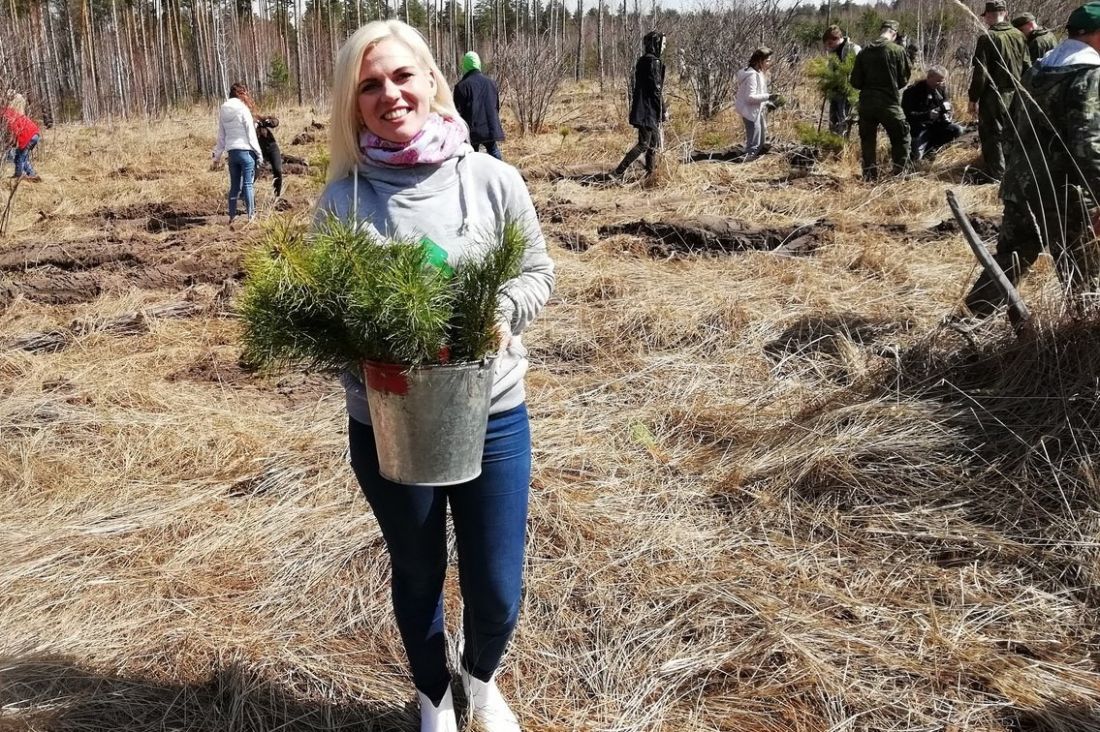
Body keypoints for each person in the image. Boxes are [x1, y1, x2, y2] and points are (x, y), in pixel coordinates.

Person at [314, 20, 555, 732]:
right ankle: (434, 697)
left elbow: (537, 269)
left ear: (430, 82)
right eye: (368, 85)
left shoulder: (490, 179)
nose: (389, 94)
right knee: (418, 572)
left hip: (494, 415)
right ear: (352, 104)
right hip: (389, 425)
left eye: (400, 76)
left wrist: (504, 312)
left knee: (497, 586)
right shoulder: (342, 203)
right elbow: (320, 322)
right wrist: (357, 349)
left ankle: (480, 679)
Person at [963, 2, 1100, 317]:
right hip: (1067, 195)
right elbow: (1088, 145)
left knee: (1010, 258)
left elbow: (1009, 131)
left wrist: (1018, 172)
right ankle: (1082, 341)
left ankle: (971, 322)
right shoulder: (1089, 74)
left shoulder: (1037, 69)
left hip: (1021, 185)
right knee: (1083, 271)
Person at [968, 0, 1029, 181]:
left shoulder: (987, 38)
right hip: (1017, 94)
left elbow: (981, 73)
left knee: (992, 135)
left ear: (988, 15)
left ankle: (997, 177)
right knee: (1013, 134)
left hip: (995, 95)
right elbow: (1028, 65)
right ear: (1006, 13)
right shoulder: (1019, 35)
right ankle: (1013, 172)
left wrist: (973, 98)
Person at [850, 20, 912, 180]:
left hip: (866, 104)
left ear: (882, 30)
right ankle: (900, 176)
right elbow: (904, 79)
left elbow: (855, 82)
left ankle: (869, 177)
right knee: (901, 137)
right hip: (889, 103)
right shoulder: (897, 50)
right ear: (894, 33)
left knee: (868, 142)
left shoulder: (864, 52)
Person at [613, 30, 666, 179]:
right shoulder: (653, 62)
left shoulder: (643, 60)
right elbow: (656, 89)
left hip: (644, 109)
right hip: (647, 110)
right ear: (656, 44)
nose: (663, 47)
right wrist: (663, 110)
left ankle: (651, 174)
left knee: (653, 142)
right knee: (644, 143)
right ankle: (617, 172)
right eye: (662, 44)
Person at [211, 82, 263, 224]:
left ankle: (232, 216)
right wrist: (259, 154)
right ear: (241, 94)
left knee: (234, 186)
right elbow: (251, 134)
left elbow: (221, 135)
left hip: (232, 153)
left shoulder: (223, 109)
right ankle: (251, 216)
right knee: (247, 184)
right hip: (246, 152)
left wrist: (217, 156)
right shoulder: (243, 109)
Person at [902, 66, 965, 162]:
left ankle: (933, 148)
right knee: (917, 158)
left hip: (937, 125)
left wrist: (948, 114)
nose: (940, 84)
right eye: (938, 81)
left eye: (942, 81)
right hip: (920, 128)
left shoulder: (941, 89)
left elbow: (946, 104)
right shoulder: (912, 92)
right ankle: (924, 149)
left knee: (958, 130)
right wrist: (927, 115)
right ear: (929, 77)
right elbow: (907, 115)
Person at [453, 51, 505, 160]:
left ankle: (474, 176)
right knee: (493, 150)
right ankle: (502, 173)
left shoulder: (461, 86)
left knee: (472, 157)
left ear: (465, 65)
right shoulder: (490, 83)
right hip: (489, 125)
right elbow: (496, 106)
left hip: (472, 129)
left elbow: (457, 113)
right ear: (478, 64)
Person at [735, 47, 778, 161]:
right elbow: (750, 97)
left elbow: (759, 93)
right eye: (767, 60)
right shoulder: (752, 76)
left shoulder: (757, 72)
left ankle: (752, 159)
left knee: (761, 139)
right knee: (754, 143)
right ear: (759, 61)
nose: (769, 63)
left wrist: (768, 102)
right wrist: (768, 97)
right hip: (749, 111)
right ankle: (746, 164)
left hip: (755, 110)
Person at [822, 25, 861, 137]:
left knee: (844, 123)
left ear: (836, 39)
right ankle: (833, 146)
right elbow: (830, 70)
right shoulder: (833, 51)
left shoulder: (853, 49)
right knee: (833, 123)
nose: (828, 47)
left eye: (829, 43)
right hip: (835, 93)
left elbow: (858, 72)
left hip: (848, 93)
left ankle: (842, 149)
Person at [1, 93, 42, 182]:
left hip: (28, 136)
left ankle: (19, 176)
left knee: (20, 157)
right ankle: (31, 174)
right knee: (23, 157)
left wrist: (10, 142)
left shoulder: (8, 115)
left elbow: (15, 131)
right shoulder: (12, 113)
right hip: (34, 133)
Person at [255, 113, 284, 198]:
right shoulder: (247, 120)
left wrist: (269, 122)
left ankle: (277, 196)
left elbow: (276, 122)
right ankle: (244, 195)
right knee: (254, 174)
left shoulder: (261, 118)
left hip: (271, 147)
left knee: (278, 170)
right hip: (257, 150)